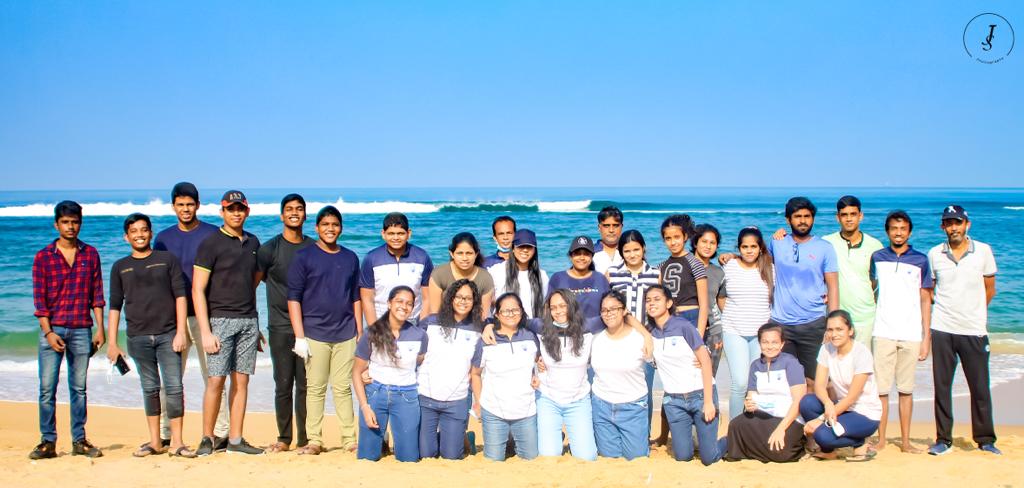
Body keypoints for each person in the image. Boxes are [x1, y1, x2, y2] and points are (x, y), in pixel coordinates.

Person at [106, 213, 195, 458]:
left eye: (144, 230)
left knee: (174, 387)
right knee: (150, 388)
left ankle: (177, 442)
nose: (139, 235)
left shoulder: (167, 260)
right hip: (138, 338)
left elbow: (180, 296)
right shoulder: (120, 267)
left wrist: (180, 332)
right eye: (134, 231)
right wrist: (112, 343)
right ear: (126, 237)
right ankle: (155, 441)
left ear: (151, 233)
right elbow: (115, 306)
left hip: (168, 336)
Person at [30, 200, 106, 460]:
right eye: (65, 222)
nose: (70, 226)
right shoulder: (43, 257)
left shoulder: (90, 254)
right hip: (52, 330)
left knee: (79, 388)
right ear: (56, 224)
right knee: (47, 389)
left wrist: (100, 328)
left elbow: (97, 295)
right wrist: (49, 333)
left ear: (80, 224)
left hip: (82, 329)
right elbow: (39, 301)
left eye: (74, 222)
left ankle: (79, 440)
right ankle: (47, 442)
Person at [153, 182, 226, 447]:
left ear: (197, 205)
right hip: (174, 318)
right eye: (180, 205)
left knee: (215, 376)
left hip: (207, 315)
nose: (185, 209)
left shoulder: (212, 233)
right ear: (173, 206)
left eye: (190, 204)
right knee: (171, 379)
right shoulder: (162, 238)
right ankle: (163, 433)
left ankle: (221, 432)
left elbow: (221, 274)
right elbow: (157, 278)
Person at [192, 190, 264, 456]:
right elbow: (198, 290)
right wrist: (205, 331)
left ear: (247, 211)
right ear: (222, 212)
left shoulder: (253, 242)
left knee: (242, 382)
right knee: (216, 381)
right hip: (219, 320)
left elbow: (252, 284)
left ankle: (235, 439)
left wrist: (255, 325)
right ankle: (207, 438)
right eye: (230, 209)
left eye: (240, 208)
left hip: (248, 321)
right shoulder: (210, 243)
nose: (236, 213)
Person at [287, 205, 362, 455]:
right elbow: (293, 298)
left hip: (346, 333)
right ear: (317, 228)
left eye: (335, 225)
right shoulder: (304, 257)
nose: (331, 229)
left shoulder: (350, 257)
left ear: (341, 228)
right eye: (326, 225)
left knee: (342, 387)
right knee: (316, 387)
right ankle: (314, 440)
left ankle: (349, 439)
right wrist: (299, 336)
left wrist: (360, 331)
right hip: (314, 333)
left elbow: (355, 297)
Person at [927, 205, 1000, 456]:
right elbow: (931, 291)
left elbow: (989, 288)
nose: (953, 227)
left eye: (957, 222)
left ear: (967, 224)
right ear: (943, 227)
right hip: (942, 329)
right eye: (948, 223)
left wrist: (974, 311)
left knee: (980, 387)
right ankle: (943, 439)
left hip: (973, 330)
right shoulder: (934, 253)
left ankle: (985, 439)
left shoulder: (983, 251)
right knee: (942, 387)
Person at [256, 193, 314, 453]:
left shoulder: (314, 248)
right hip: (279, 327)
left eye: (299, 209)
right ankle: (283, 438)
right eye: (289, 209)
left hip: (310, 328)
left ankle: (304, 438)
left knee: (305, 385)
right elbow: (253, 284)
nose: (294, 213)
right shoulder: (269, 249)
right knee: (283, 385)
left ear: (305, 214)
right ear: (282, 215)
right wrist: (252, 325)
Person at [869, 210, 932, 453]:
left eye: (903, 229)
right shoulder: (877, 257)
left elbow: (926, 299)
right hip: (883, 331)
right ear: (887, 231)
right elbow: (872, 288)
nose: (898, 233)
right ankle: (882, 440)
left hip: (911, 334)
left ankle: (906, 442)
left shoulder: (920, 260)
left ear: (909, 232)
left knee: (906, 390)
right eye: (894, 229)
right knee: (882, 390)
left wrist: (926, 337)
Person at [645, 285, 722, 465]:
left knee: (709, 458)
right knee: (683, 456)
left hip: (701, 395)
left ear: (669, 303)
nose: (651, 303)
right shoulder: (650, 333)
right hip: (675, 402)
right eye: (648, 301)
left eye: (657, 299)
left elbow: (705, 362)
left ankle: (729, 441)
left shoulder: (684, 326)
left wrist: (709, 402)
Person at [767, 197, 838, 386]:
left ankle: (824, 415)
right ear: (788, 220)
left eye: (807, 216)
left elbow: (833, 286)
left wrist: (832, 323)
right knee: (784, 381)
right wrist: (730, 256)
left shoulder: (825, 248)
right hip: (781, 324)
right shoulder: (777, 243)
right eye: (797, 216)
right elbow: (753, 260)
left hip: (813, 323)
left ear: (813, 219)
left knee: (818, 381)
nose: (803, 220)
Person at [353, 286, 427, 462]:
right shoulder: (372, 332)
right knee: (367, 458)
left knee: (408, 459)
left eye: (409, 303)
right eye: (399, 301)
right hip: (375, 394)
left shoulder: (420, 335)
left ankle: (389, 440)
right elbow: (356, 373)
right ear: (389, 303)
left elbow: (420, 363)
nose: (404, 306)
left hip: (406, 396)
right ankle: (381, 440)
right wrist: (365, 407)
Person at [799, 310, 881, 462]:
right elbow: (819, 385)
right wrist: (828, 403)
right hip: (842, 408)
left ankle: (860, 441)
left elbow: (851, 398)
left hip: (865, 413)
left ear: (850, 330)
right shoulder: (826, 349)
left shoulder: (862, 353)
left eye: (839, 329)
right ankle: (829, 451)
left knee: (821, 434)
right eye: (830, 330)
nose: (834, 334)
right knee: (807, 402)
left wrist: (821, 419)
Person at [417, 279, 483, 460]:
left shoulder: (478, 330)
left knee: (451, 456)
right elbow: (410, 353)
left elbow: (476, 371)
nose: (463, 301)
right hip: (426, 399)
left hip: (456, 401)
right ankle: (443, 437)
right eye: (459, 297)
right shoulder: (430, 322)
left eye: (468, 298)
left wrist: (479, 401)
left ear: (475, 302)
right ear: (450, 298)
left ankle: (462, 436)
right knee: (426, 455)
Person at [471, 293, 541, 461]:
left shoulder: (530, 337)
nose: (511, 314)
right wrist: (479, 404)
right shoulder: (487, 340)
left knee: (530, 457)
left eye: (515, 310)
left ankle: (514, 439)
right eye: (505, 311)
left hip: (525, 410)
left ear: (522, 312)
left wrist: (535, 375)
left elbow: (537, 363)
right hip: (494, 410)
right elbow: (475, 374)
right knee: (494, 459)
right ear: (497, 314)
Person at [723, 323, 806, 463]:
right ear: (760, 343)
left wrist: (781, 429)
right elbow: (751, 396)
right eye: (765, 342)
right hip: (763, 415)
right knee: (736, 425)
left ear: (782, 344)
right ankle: (755, 450)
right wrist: (749, 404)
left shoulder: (791, 363)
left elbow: (798, 401)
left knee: (782, 453)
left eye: (774, 342)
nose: (769, 346)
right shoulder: (756, 365)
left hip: (788, 418)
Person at [604, 229, 660, 430]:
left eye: (636, 249)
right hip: (619, 338)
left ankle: (642, 433)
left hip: (646, 338)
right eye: (627, 251)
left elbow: (660, 308)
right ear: (621, 252)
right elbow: (606, 306)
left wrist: (651, 336)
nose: (632, 254)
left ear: (643, 249)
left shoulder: (655, 274)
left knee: (645, 387)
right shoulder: (612, 273)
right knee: (619, 386)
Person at [590, 291, 653, 460]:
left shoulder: (640, 338)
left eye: (613, 309)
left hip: (633, 407)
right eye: (604, 310)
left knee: (636, 458)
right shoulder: (595, 339)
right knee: (609, 458)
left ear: (624, 311)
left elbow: (667, 360)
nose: (608, 313)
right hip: (601, 407)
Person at [719, 227, 774, 419]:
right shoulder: (730, 267)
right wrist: (732, 315)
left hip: (760, 335)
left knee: (755, 384)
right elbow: (720, 296)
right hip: (734, 331)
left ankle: (751, 428)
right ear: (739, 248)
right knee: (740, 383)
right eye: (744, 247)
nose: (749, 250)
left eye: (753, 246)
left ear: (760, 248)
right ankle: (734, 430)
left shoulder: (769, 268)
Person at [822, 196, 884, 346]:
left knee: (863, 367)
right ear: (838, 218)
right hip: (837, 319)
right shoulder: (826, 243)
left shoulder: (875, 245)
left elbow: (879, 283)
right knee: (836, 366)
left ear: (860, 216)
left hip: (866, 319)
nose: (849, 219)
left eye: (853, 214)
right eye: (844, 215)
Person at [359, 212, 433, 325]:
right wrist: (374, 330)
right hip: (382, 323)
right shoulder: (371, 258)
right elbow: (367, 299)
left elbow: (428, 297)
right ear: (383, 234)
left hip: (413, 322)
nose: (396, 238)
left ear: (409, 233)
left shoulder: (422, 257)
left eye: (400, 233)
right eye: (391, 233)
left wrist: (422, 327)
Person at [657, 214, 708, 337]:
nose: (673, 242)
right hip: (669, 319)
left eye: (676, 237)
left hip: (692, 318)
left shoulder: (696, 264)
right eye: (668, 238)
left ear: (685, 237)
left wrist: (699, 335)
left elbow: (704, 305)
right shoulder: (660, 267)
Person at [429, 232, 495, 317]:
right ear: (452, 254)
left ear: (476, 254)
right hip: (444, 324)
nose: (464, 258)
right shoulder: (439, 274)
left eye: (469, 253)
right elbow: (434, 313)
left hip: (474, 326)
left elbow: (483, 316)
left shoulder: (485, 278)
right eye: (460, 253)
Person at [489, 229, 549, 318]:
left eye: (529, 247)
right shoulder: (496, 271)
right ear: (513, 248)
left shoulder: (542, 275)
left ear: (534, 250)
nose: (525, 250)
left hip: (532, 326)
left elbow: (544, 304)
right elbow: (487, 302)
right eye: (521, 246)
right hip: (503, 325)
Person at [691, 223, 725, 375]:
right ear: (695, 242)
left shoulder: (719, 272)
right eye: (704, 241)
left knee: (710, 377)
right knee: (687, 376)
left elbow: (722, 303)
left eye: (712, 243)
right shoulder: (684, 267)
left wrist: (724, 333)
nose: (708, 246)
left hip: (713, 332)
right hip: (688, 329)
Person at [548, 236, 610, 318]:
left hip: (596, 329)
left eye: (586, 254)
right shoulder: (558, 278)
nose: (582, 257)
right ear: (570, 256)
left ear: (592, 256)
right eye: (577, 254)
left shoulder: (600, 278)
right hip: (566, 330)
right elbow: (548, 308)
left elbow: (609, 307)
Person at [593, 206, 624, 274]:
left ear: (621, 227)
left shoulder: (630, 251)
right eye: (606, 226)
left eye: (615, 225)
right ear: (599, 227)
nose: (611, 230)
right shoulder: (590, 252)